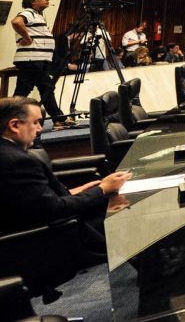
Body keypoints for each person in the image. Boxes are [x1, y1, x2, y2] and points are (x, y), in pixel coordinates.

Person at [0, 96, 132, 255]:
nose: (40, 129)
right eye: (35, 122)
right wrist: (102, 189)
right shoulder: (17, 161)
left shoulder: (8, 153)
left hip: (40, 228)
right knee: (129, 218)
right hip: (46, 241)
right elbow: (55, 209)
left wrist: (76, 191)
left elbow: (31, 201)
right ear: (14, 125)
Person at [11, 0, 67, 126]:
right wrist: (27, 38)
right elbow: (16, 22)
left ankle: (58, 119)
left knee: (47, 90)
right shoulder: (28, 12)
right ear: (33, 1)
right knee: (23, 92)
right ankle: (8, 119)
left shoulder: (38, 15)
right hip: (32, 60)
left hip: (39, 60)